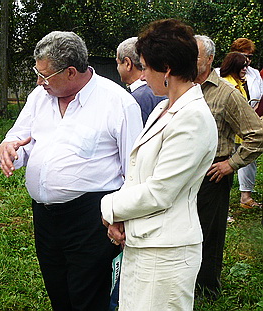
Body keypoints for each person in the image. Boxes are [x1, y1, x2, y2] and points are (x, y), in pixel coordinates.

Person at [0, 31, 143, 311]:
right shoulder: (40, 98)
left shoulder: (118, 104)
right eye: (38, 74)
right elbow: (20, 135)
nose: (40, 82)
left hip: (91, 218)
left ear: (72, 72)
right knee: (58, 291)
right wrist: (9, 147)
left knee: (88, 296)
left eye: (45, 76)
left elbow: (134, 171)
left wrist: (121, 218)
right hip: (45, 217)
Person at [101, 19, 218, 310]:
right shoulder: (161, 108)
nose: (141, 74)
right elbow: (138, 172)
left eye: (145, 66)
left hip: (168, 252)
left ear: (166, 69)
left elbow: (160, 191)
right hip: (143, 241)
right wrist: (121, 221)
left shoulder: (193, 118)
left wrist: (109, 208)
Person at [194, 35, 263, 299]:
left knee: (208, 235)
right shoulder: (181, 88)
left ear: (210, 59)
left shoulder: (226, 93)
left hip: (212, 174)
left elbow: (257, 134)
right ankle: (186, 283)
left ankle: (208, 290)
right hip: (182, 173)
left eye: (196, 56)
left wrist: (230, 164)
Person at [229, 38, 263, 208]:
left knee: (249, 157)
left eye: (249, 56)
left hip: (250, 121)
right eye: (244, 56)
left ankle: (246, 196)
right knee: (225, 159)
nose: (247, 60)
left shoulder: (255, 74)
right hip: (229, 125)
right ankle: (222, 199)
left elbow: (259, 98)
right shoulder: (222, 73)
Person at [116, 36, 167, 125]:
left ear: (128, 63)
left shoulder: (133, 100)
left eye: (118, 63)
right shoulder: (166, 91)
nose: (117, 68)